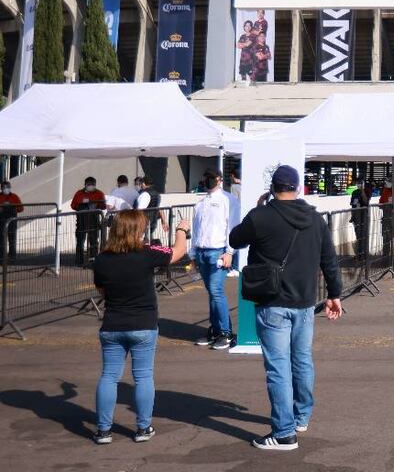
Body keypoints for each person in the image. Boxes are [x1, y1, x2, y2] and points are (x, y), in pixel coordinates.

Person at [228, 166, 343, 451]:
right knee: (302, 360)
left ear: (273, 186)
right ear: (299, 187)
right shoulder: (315, 219)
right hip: (304, 302)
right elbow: (329, 259)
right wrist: (335, 294)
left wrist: (257, 209)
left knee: (278, 367)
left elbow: (235, 239)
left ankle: (283, 433)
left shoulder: (261, 216)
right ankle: (300, 417)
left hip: (272, 302)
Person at [92, 211, 192, 444]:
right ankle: (143, 427)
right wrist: (181, 231)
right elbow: (178, 252)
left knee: (109, 376)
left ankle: (103, 430)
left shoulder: (102, 258)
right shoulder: (147, 253)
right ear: (137, 231)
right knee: (143, 376)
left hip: (113, 324)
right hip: (143, 324)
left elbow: (101, 290)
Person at [191, 169, 240, 350]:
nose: (208, 181)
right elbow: (197, 229)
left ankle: (225, 333)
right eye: (206, 178)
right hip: (202, 251)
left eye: (211, 178)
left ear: (219, 180)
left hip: (217, 251)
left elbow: (233, 226)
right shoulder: (201, 203)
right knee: (212, 293)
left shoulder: (228, 200)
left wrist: (229, 252)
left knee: (215, 290)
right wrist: (193, 253)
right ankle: (216, 330)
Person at [71, 177, 107, 267]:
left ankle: (93, 261)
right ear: (85, 185)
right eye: (89, 184)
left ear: (95, 185)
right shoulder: (79, 193)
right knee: (80, 241)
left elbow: (103, 206)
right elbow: (73, 205)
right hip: (81, 221)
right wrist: (82, 205)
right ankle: (79, 261)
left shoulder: (99, 193)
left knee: (94, 242)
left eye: (92, 184)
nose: (91, 186)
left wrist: (96, 203)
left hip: (93, 221)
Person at [133, 177, 168, 242]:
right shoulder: (157, 194)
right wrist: (164, 222)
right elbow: (160, 209)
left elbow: (139, 211)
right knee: (149, 241)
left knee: (140, 241)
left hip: (143, 223)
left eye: (140, 184)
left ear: (143, 183)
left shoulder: (145, 194)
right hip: (153, 222)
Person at [0, 181, 25, 260]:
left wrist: (13, 208)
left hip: (12, 221)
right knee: (1, 239)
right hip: (1, 221)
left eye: (7, 187)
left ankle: (12, 256)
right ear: (1, 188)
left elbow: (21, 208)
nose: (6, 189)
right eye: (4, 187)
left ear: (10, 188)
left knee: (12, 239)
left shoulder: (14, 197)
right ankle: (1, 257)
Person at [349, 176, 372, 258]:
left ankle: (364, 253)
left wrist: (362, 191)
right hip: (356, 215)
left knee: (364, 234)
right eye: (358, 183)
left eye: (361, 183)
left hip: (364, 215)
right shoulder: (354, 192)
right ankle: (359, 253)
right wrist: (352, 216)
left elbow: (366, 201)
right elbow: (353, 205)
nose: (359, 185)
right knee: (358, 235)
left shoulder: (367, 191)